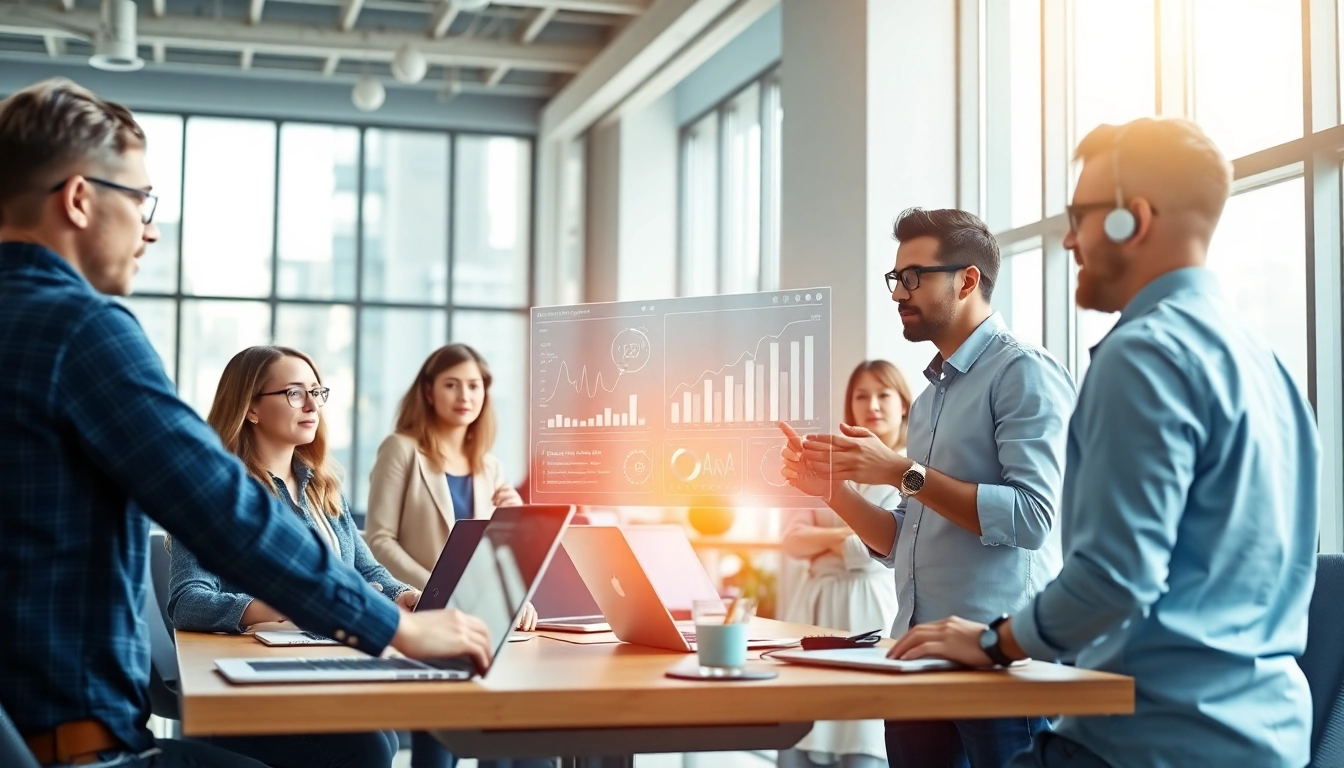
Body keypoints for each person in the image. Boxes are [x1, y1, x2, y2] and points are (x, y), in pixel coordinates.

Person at [0, 78, 492, 768]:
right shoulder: (78, 326)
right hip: (73, 745)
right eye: (140, 198)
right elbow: (220, 511)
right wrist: (399, 631)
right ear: (79, 199)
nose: (151, 227)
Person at [888, 119, 1320, 768]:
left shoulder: (1143, 354)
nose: (1068, 240)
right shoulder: (1270, 367)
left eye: (1079, 216)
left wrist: (992, 643)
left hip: (1146, 738)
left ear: (1132, 220)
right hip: (1267, 738)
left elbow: (1114, 578)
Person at [780, 207, 1077, 768]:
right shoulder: (931, 399)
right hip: (915, 659)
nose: (898, 293)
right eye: (896, 278)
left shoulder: (1023, 373)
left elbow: (1034, 518)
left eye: (913, 276)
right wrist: (832, 491)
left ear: (966, 281)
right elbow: (905, 543)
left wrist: (898, 472)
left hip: (998, 664)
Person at [166, 345, 417, 768]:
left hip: (324, 663)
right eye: (294, 393)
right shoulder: (214, 492)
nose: (311, 404)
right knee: (370, 747)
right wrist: (280, 607)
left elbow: (366, 569)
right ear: (251, 409)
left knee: (385, 738)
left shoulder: (321, 485)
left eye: (317, 392)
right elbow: (187, 600)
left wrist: (401, 594)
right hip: (254, 684)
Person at [364, 342, 541, 768]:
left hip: (481, 622)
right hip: (424, 618)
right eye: (451, 385)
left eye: (474, 386)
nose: (465, 397)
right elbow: (379, 540)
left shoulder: (490, 467)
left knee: (505, 735)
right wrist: (441, 589)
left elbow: (491, 555)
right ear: (428, 391)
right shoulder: (401, 450)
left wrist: (516, 581)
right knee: (440, 740)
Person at [777, 359, 913, 768]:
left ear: (903, 404)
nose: (872, 404)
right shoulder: (828, 466)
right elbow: (792, 542)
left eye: (883, 394)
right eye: (861, 395)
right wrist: (854, 537)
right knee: (801, 731)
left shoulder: (911, 469)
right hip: (816, 610)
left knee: (863, 735)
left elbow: (880, 548)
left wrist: (841, 542)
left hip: (870, 610)